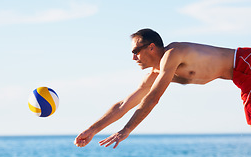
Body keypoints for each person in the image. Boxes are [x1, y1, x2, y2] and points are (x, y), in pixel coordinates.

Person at [74, 28, 251, 149]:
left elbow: (152, 98)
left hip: (245, 62)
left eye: (136, 51)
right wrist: (92, 130)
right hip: (241, 77)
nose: (134, 58)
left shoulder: (172, 54)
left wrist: (126, 129)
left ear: (151, 47)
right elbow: (123, 105)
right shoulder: (154, 75)